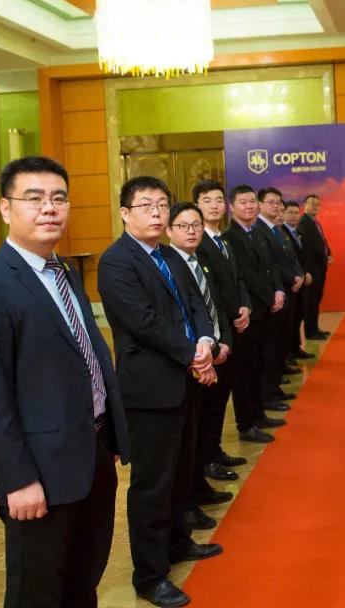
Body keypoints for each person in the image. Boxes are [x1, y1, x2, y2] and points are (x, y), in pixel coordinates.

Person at [0, 157, 129, 608]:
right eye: (34, 198)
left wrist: (109, 436)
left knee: (82, 581)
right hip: (39, 472)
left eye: (58, 198)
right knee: (37, 592)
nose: (49, 208)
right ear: (5, 208)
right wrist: (18, 479)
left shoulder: (63, 272)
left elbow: (86, 355)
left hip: (90, 454)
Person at [97, 176, 221, 608]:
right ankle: (150, 576)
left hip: (185, 381)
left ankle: (178, 542)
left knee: (182, 471)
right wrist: (193, 355)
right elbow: (143, 322)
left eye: (162, 205)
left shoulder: (169, 254)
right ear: (125, 213)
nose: (156, 212)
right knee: (153, 484)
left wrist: (204, 342)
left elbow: (197, 305)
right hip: (149, 390)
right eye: (146, 205)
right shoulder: (116, 263)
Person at [165, 202, 235, 527]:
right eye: (183, 226)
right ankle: (189, 501)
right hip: (190, 362)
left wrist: (222, 340)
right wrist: (200, 353)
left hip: (211, 350)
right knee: (188, 438)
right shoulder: (171, 265)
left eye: (196, 225)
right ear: (169, 230)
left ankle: (200, 486)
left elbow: (213, 304)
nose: (192, 231)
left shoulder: (199, 260)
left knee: (205, 424)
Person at [192, 180, 252, 476]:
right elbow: (210, 291)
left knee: (222, 396)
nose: (214, 205)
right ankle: (207, 458)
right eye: (207, 200)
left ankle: (215, 450)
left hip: (233, 325)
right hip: (216, 332)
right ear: (197, 206)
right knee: (211, 401)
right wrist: (229, 316)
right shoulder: (197, 242)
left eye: (218, 200)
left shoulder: (223, 240)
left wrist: (245, 307)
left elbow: (237, 279)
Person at [225, 184, 284, 443]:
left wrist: (278, 291)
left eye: (252, 201)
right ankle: (246, 424)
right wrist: (270, 296)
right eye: (243, 202)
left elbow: (271, 266)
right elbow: (246, 274)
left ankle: (259, 415)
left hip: (266, 309)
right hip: (250, 311)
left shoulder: (257, 232)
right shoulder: (231, 236)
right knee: (245, 369)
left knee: (260, 364)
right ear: (232, 206)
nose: (249, 206)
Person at [256, 187, 302, 410]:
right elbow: (270, 264)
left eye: (279, 203)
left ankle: (275, 387)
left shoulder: (277, 229)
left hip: (285, 291)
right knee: (270, 346)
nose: (277, 206)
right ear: (260, 205)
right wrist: (290, 278)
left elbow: (289, 257)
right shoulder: (259, 229)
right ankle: (269, 392)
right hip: (272, 295)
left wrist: (297, 274)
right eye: (271, 202)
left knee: (279, 341)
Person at [298, 193, 332, 339]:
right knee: (311, 301)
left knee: (316, 300)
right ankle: (310, 332)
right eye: (311, 203)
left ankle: (315, 328)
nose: (314, 206)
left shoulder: (315, 222)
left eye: (317, 204)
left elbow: (322, 241)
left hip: (320, 267)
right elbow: (306, 248)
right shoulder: (304, 223)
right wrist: (306, 270)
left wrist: (328, 253)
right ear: (304, 205)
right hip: (312, 269)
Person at [283, 200, 313, 360]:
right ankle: (289, 352)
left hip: (301, 279)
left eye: (296, 213)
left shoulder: (298, 232)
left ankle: (296, 348)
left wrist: (305, 273)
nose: (294, 216)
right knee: (290, 319)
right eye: (290, 212)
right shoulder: (282, 232)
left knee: (299, 316)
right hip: (291, 282)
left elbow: (302, 256)